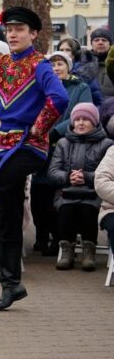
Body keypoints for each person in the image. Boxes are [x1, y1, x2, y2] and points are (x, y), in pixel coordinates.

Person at [0, 7, 69, 311]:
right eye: (9, 29)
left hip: (29, 147)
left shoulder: (41, 66)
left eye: (20, 29)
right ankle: (12, 283)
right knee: (6, 210)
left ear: (33, 34)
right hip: (3, 147)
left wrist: (39, 127)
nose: (13, 34)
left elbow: (59, 98)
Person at [47, 103, 112, 272]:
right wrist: (68, 177)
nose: (81, 123)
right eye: (78, 119)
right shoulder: (63, 143)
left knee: (87, 210)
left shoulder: (106, 144)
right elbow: (53, 171)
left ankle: (88, 250)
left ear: (95, 122)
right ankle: (67, 250)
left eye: (86, 119)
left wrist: (87, 177)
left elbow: (107, 172)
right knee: (65, 209)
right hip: (66, 192)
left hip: (94, 193)